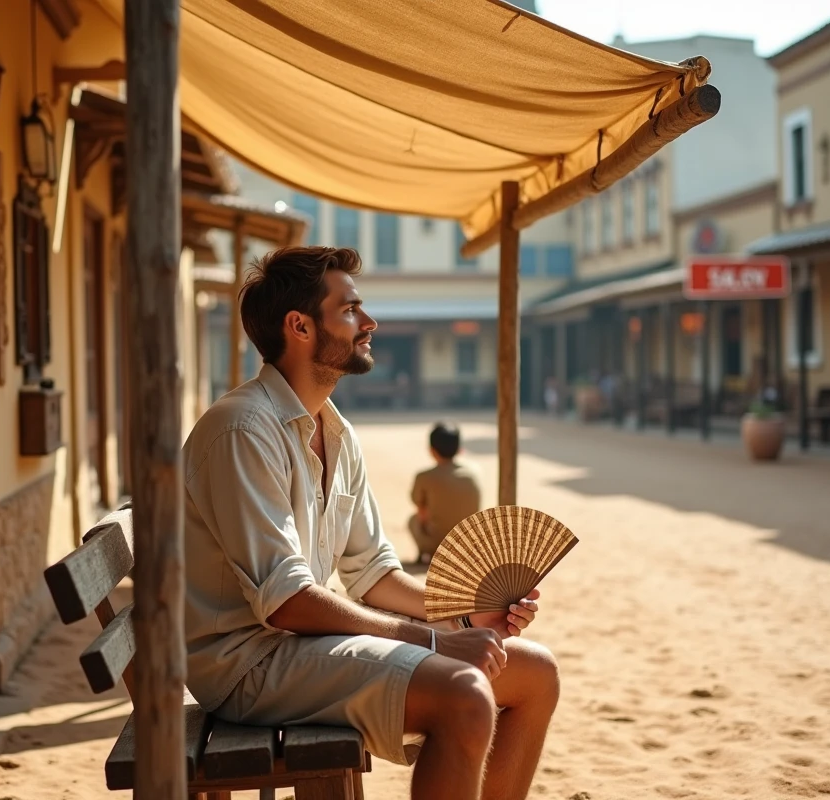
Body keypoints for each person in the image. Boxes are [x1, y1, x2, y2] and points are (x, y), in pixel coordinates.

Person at [181, 246, 559, 800]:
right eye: (350, 309)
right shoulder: (242, 430)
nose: (369, 322)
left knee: (536, 673)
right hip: (245, 664)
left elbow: (373, 573)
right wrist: (436, 640)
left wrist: (465, 613)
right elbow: (286, 601)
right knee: (465, 693)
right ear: (300, 326)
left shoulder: (334, 430)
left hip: (300, 645)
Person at [408, 422, 482, 564]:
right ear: (459, 449)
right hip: (467, 544)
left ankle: (427, 552)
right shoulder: (474, 472)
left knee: (413, 520)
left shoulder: (425, 476)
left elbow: (421, 510)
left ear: (432, 450)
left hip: (439, 544)